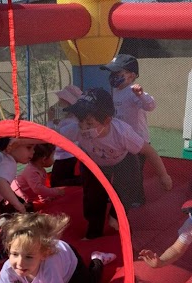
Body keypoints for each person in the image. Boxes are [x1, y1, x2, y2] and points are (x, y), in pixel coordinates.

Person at [60, 88, 172, 239]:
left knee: (127, 189)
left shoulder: (122, 133)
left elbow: (148, 151)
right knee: (93, 196)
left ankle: (116, 217)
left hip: (123, 160)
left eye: (89, 123)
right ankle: (94, 230)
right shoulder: (76, 130)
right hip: (95, 162)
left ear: (106, 121)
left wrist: (163, 175)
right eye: (80, 121)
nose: (84, 128)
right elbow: (51, 136)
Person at [101, 54, 156, 206]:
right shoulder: (114, 91)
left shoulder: (133, 92)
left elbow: (150, 106)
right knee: (119, 169)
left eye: (117, 73)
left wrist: (141, 95)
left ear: (131, 76)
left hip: (138, 141)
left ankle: (138, 199)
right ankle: (117, 195)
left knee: (134, 172)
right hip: (121, 140)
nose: (113, 76)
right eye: (112, 73)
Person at [47, 84, 83, 187]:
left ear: (69, 105)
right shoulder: (69, 120)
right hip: (63, 157)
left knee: (57, 183)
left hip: (66, 158)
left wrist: (50, 120)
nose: (58, 104)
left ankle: (82, 181)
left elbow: (54, 137)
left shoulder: (73, 123)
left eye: (61, 101)